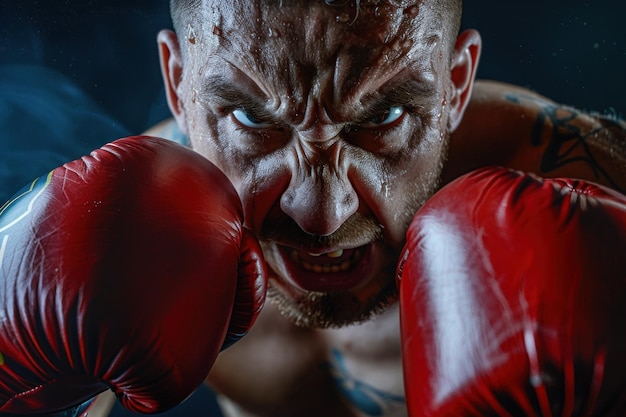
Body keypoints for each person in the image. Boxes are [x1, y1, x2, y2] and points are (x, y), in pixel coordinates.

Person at [1, 1, 625, 416]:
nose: (321, 217)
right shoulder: (123, 235)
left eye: (382, 117)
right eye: (253, 119)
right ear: (179, 83)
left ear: (455, 86)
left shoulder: (580, 185)